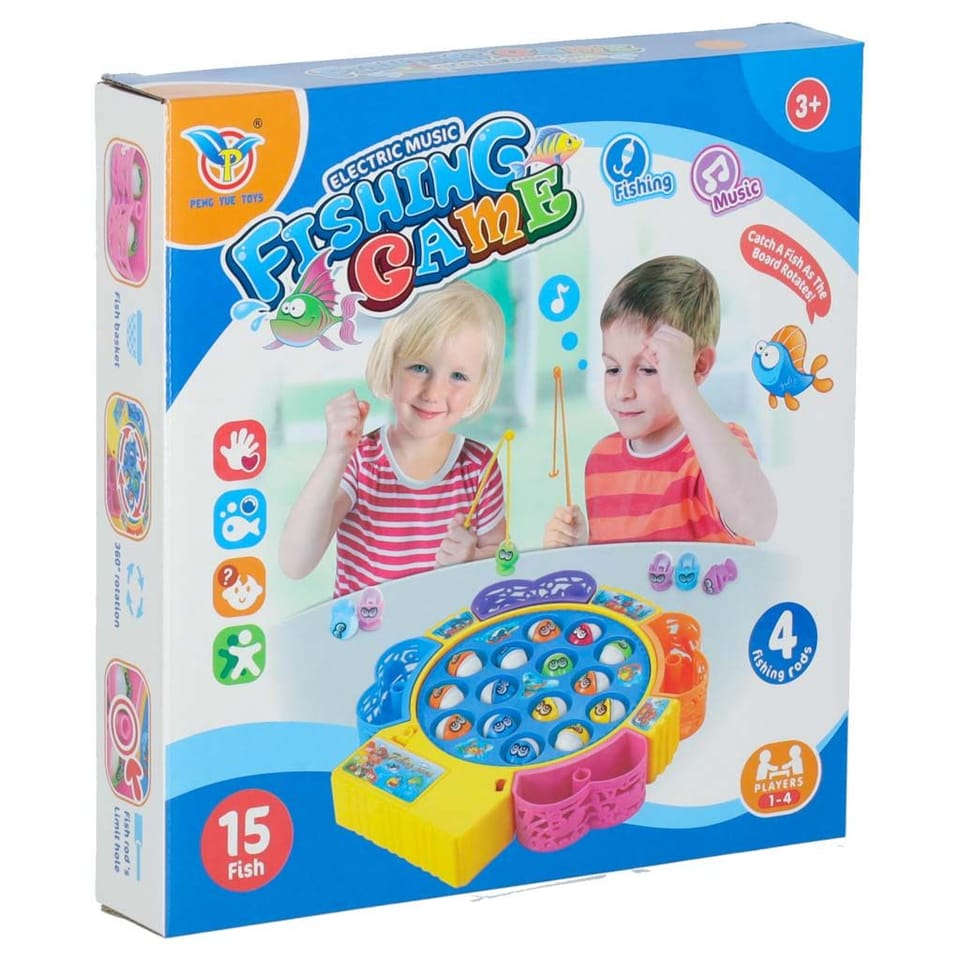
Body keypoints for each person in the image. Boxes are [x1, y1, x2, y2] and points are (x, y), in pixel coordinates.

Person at [280, 280, 507, 597]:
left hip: (448, 628)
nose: (433, 392)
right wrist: (335, 454)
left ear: (478, 388)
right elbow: (295, 563)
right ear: (391, 367)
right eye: (419, 367)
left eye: (458, 376)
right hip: (365, 627)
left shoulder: (479, 467)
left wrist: (472, 559)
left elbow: (503, 562)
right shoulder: (361, 460)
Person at [544, 256, 776, 548]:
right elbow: (615, 568)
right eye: (613, 369)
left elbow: (758, 522)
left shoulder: (714, 451)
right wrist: (579, 548)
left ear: (699, 366)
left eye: (647, 369)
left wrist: (683, 388)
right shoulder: (601, 460)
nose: (623, 391)